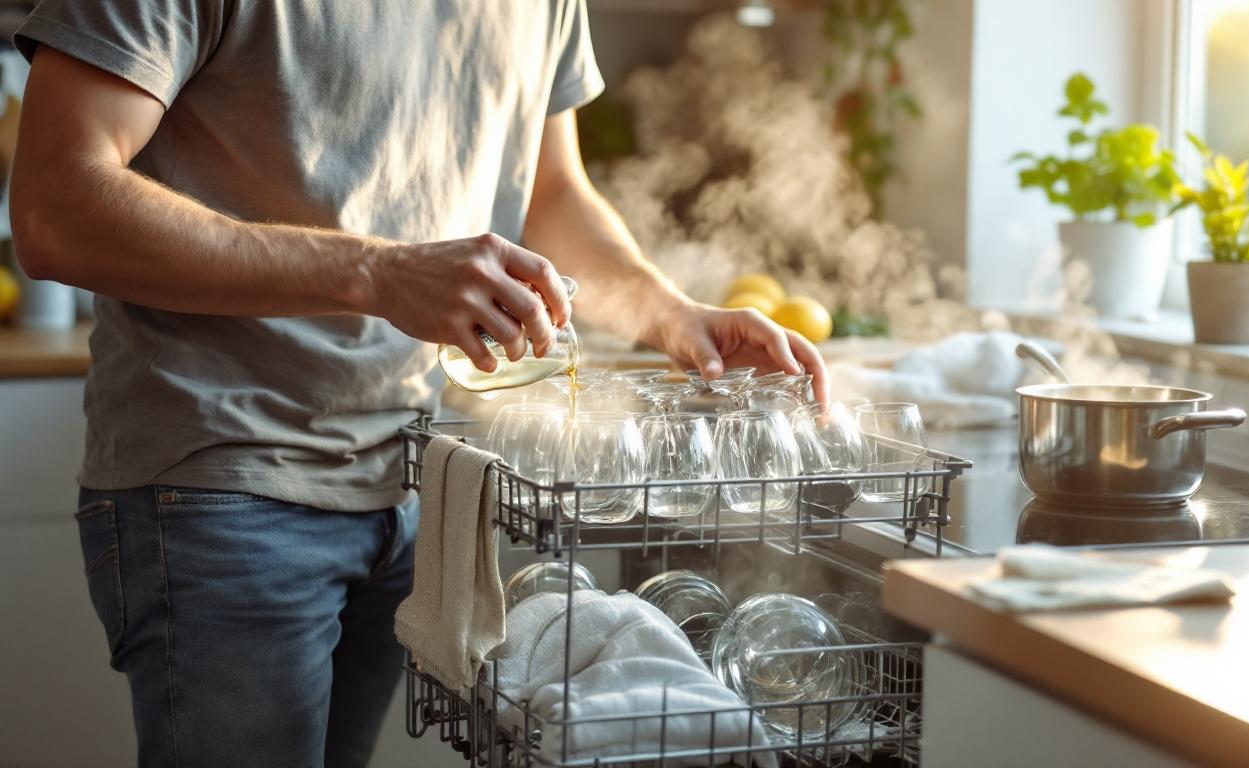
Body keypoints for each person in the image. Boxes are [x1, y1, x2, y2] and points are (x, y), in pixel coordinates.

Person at [9, 2, 828, 766]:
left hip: (406, 484)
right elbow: (55, 205)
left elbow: (550, 195)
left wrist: (671, 314)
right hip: (223, 483)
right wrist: (377, 272)